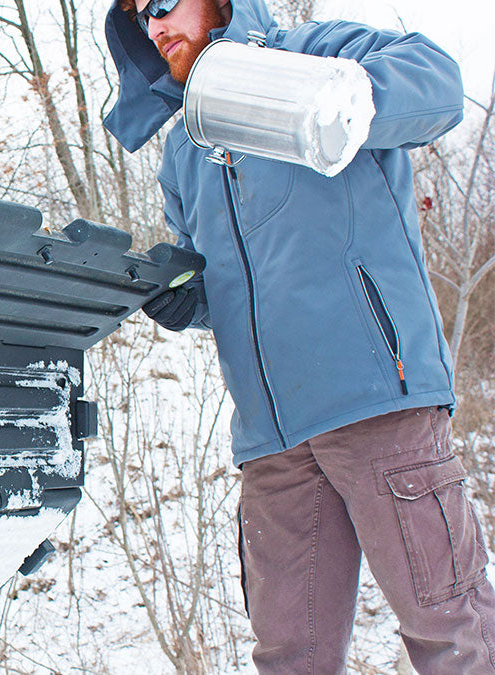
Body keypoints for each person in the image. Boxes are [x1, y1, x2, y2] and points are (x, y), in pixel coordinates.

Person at [103, 0, 495, 671]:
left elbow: (434, 81)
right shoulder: (183, 152)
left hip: (376, 402)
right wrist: (179, 297)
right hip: (273, 440)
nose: (156, 25)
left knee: (449, 632)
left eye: (164, 3)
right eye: (140, 18)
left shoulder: (314, 55)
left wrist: (345, 97)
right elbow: (225, 286)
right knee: (290, 655)